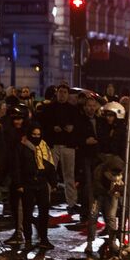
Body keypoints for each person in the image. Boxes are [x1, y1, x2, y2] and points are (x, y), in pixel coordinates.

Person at [40, 84, 80, 215]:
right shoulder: (49, 108)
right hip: (53, 146)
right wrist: (53, 128)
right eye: (60, 92)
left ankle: (72, 203)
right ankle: (45, 201)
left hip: (67, 146)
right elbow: (44, 125)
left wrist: (72, 129)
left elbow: (76, 126)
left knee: (69, 176)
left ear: (68, 94)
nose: (62, 94)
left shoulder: (73, 110)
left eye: (64, 92)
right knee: (49, 174)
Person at [16, 124, 57, 249]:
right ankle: (28, 240)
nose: (36, 137)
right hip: (28, 184)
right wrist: (19, 184)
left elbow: (50, 166)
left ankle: (43, 239)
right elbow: (17, 166)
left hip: (42, 183)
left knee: (44, 213)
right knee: (27, 213)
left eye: (38, 135)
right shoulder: (22, 147)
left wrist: (53, 183)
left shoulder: (44, 147)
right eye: (33, 135)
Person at [85, 154, 125, 255]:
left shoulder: (120, 172)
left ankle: (112, 242)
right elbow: (95, 187)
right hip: (98, 195)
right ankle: (89, 243)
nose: (115, 176)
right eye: (113, 174)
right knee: (93, 216)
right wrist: (108, 191)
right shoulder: (99, 171)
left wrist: (119, 190)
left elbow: (123, 188)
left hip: (111, 195)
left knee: (111, 217)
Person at [3, 104, 30, 244]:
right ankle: (20, 232)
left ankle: (20, 234)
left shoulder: (27, 135)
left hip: (23, 174)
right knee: (16, 205)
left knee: (20, 205)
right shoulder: (9, 133)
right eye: (15, 119)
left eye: (20, 119)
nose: (17, 122)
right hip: (14, 173)